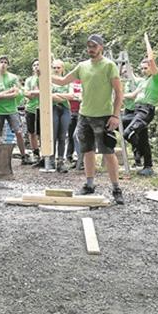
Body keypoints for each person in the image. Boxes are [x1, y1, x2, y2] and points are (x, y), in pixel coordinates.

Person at [52, 34, 124, 204]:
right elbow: (62, 81)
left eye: (94, 46)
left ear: (101, 47)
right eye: (89, 46)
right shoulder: (82, 66)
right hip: (85, 115)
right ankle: (89, 184)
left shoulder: (109, 66)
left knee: (108, 152)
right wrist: (44, 75)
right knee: (87, 150)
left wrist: (115, 115)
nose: (90, 49)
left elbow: (119, 93)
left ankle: (116, 188)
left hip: (104, 116)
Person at [123, 52, 158, 176]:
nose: (143, 70)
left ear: (152, 68)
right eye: (142, 68)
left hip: (146, 110)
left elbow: (152, 62)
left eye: (146, 68)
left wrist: (148, 46)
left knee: (128, 133)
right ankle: (148, 166)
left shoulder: (156, 79)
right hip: (136, 109)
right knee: (120, 122)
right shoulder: (143, 81)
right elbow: (133, 95)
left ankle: (139, 152)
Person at [0, 55, 29, 163]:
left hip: (12, 109)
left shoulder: (13, 77)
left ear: (8, 65)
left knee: (18, 132)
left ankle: (24, 156)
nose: (3, 64)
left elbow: (16, 93)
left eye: (5, 62)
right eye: (1, 62)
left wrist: (1, 95)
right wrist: (7, 92)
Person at [50, 59, 74, 173]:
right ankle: (51, 160)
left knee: (62, 135)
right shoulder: (49, 81)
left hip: (65, 109)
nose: (56, 70)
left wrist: (57, 95)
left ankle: (60, 161)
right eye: (54, 67)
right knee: (53, 135)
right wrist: (62, 96)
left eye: (58, 67)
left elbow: (71, 95)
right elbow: (48, 96)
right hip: (53, 108)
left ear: (62, 68)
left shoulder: (67, 81)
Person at [22, 59, 43, 166]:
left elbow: (44, 91)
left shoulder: (43, 78)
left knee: (41, 132)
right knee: (31, 132)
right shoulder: (29, 79)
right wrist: (35, 92)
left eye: (38, 64)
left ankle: (45, 154)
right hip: (30, 108)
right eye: (34, 65)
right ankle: (36, 153)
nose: (36, 66)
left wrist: (34, 92)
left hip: (41, 108)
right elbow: (26, 93)